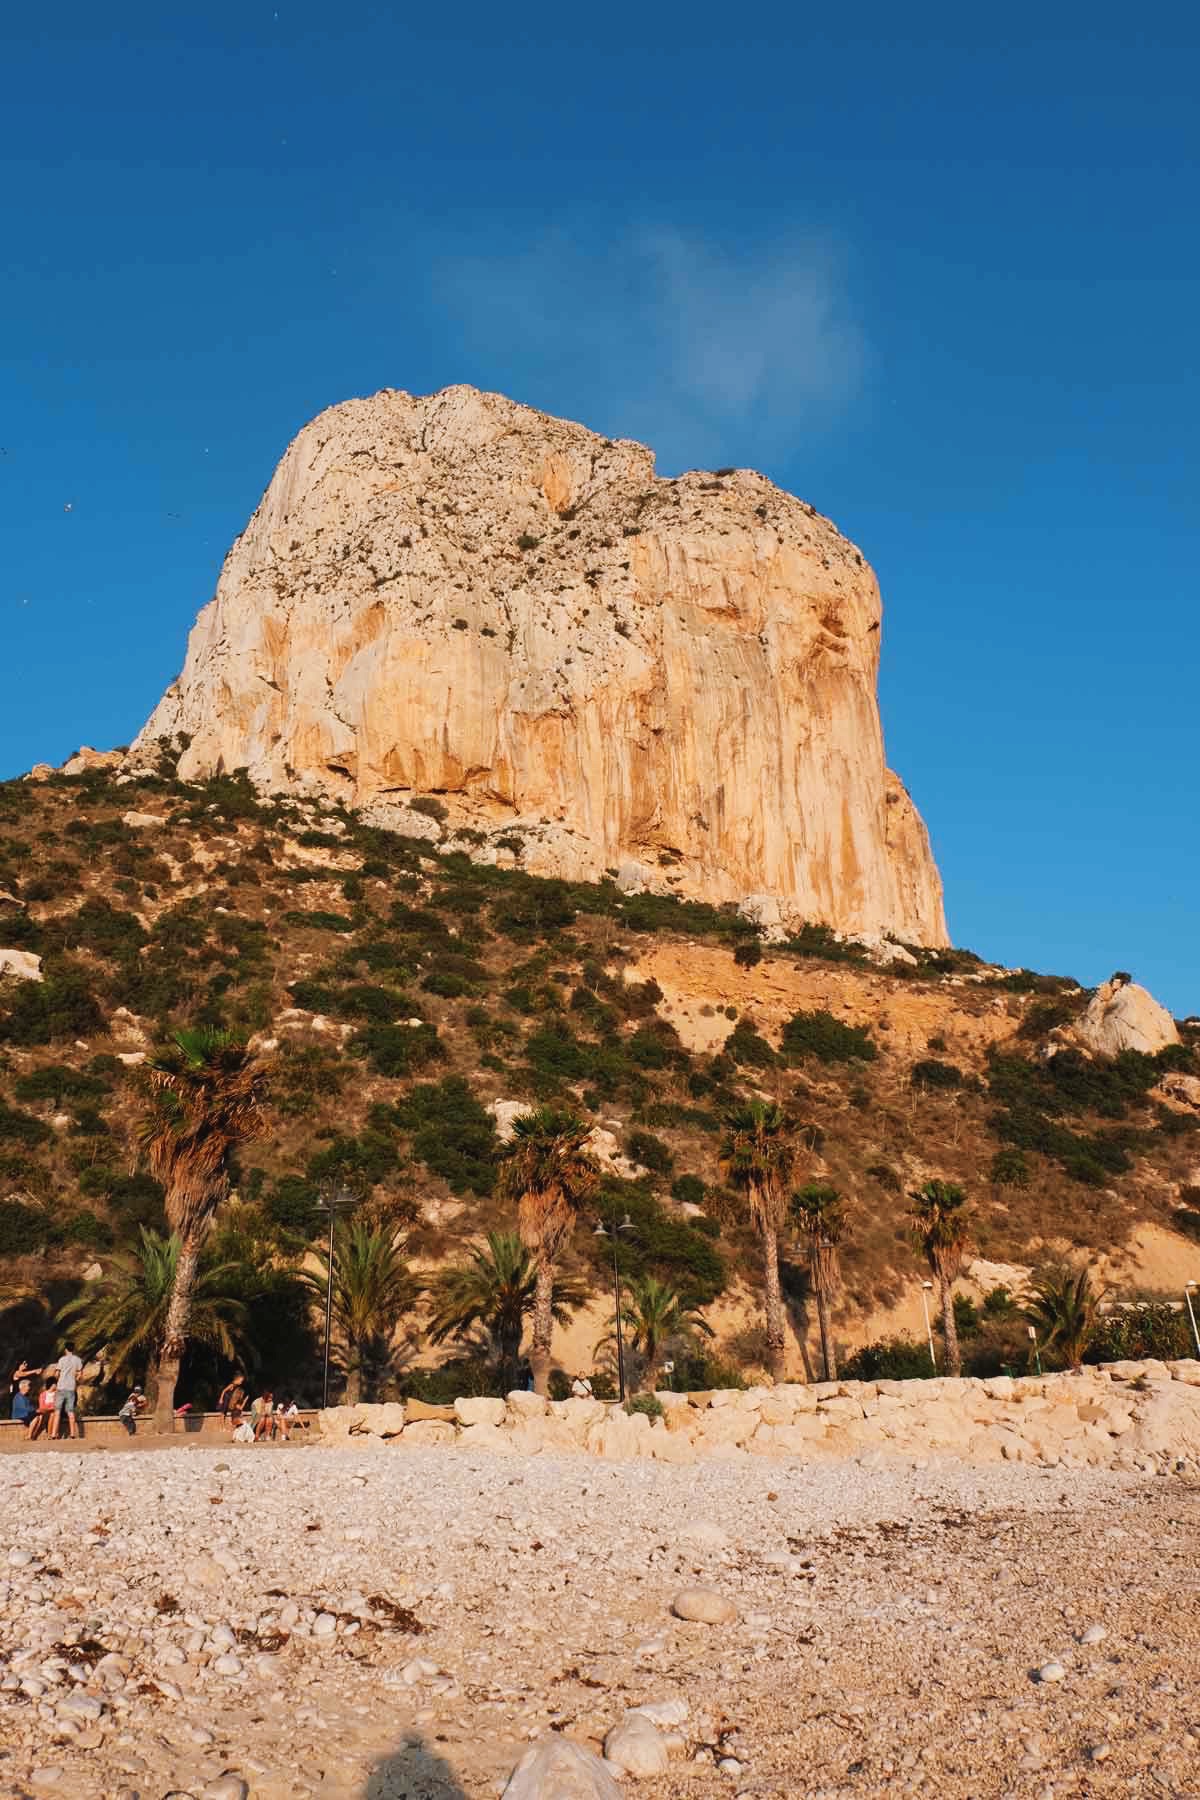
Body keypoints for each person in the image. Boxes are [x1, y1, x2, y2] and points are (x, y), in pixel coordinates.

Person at [48, 1343, 83, 1441]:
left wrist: (58, 1378)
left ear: (65, 1349)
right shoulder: (78, 1360)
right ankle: (72, 1434)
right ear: (73, 1349)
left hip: (61, 1387)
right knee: (70, 1412)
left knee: (57, 1411)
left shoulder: (62, 1360)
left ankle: (54, 1434)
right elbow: (80, 1374)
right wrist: (75, 1379)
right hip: (71, 1388)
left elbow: (57, 1374)